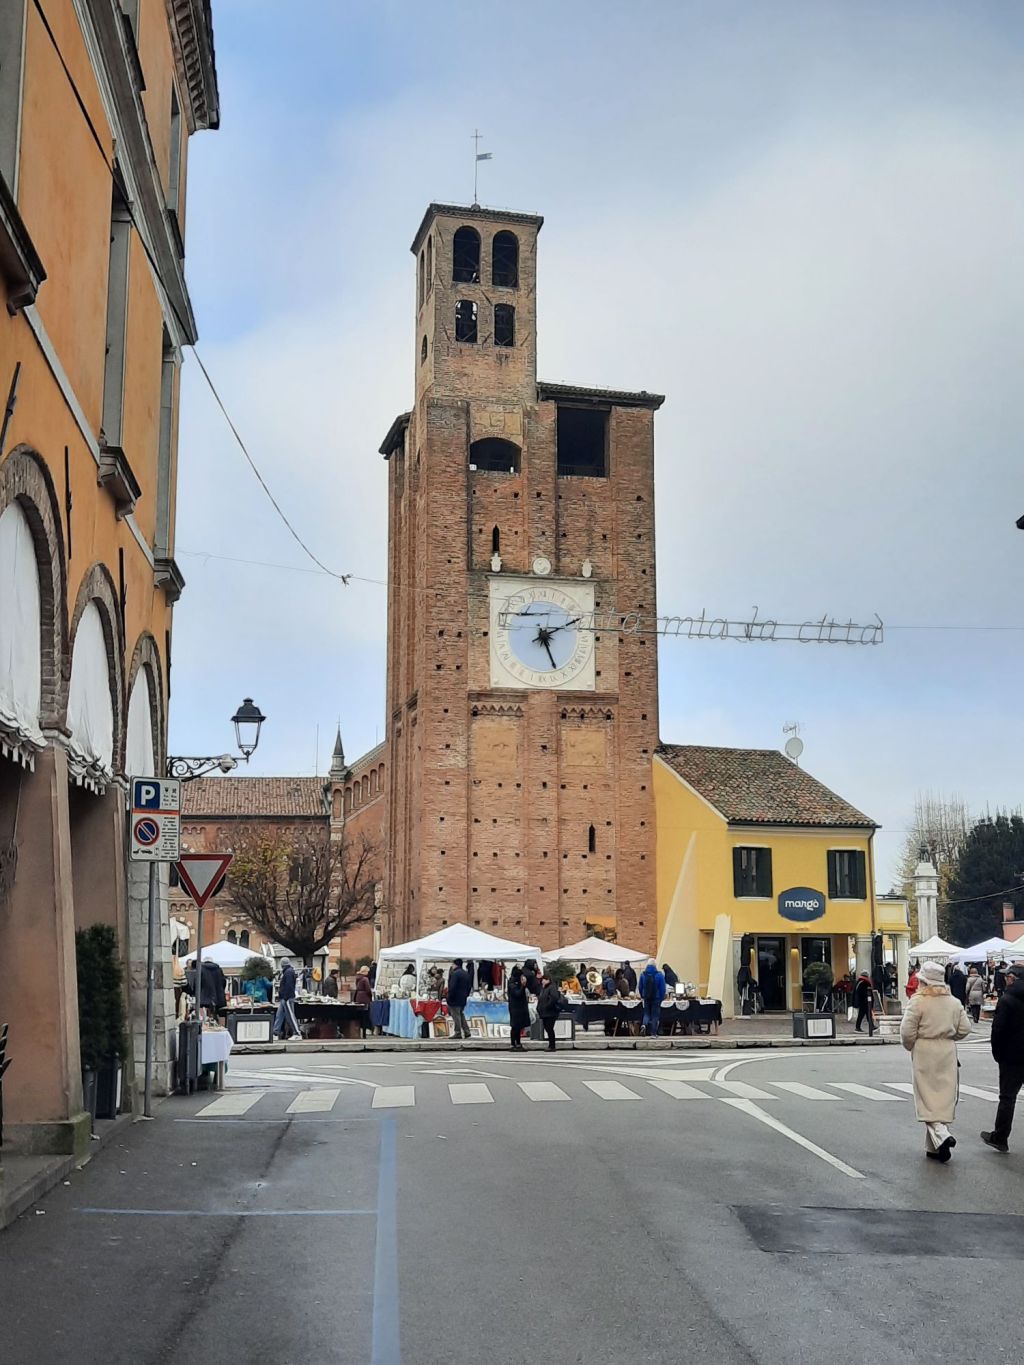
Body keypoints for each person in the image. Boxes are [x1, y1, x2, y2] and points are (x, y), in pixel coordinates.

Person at [900, 959, 971, 1161]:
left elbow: (907, 1032)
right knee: (942, 1097)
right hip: (947, 1050)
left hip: (924, 1050)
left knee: (926, 1098)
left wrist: (912, 1045)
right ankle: (933, 1148)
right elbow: (965, 1029)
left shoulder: (918, 1001)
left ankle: (941, 1134)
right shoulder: (953, 1002)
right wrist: (949, 1038)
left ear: (923, 981)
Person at [981, 960, 1024, 1153]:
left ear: (1013, 979)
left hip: (1012, 1057)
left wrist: (998, 1053)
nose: (1005, 979)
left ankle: (1000, 1137)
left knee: (1007, 1098)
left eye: (1007, 976)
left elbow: (998, 1030)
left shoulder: (1007, 1000)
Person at [274, 959, 301, 1041]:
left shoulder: (288, 972)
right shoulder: (288, 971)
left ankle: (297, 1033)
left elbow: (289, 985)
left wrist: (285, 997)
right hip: (285, 998)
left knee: (290, 1016)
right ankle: (275, 1033)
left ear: (282, 964)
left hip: (287, 998)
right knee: (279, 1015)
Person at [536, 974, 565, 1050]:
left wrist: (547, 1006)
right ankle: (551, 1045)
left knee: (549, 1028)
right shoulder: (544, 988)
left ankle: (552, 1045)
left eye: (544, 980)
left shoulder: (552, 987)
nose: (542, 981)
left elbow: (554, 998)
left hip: (550, 1012)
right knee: (547, 1028)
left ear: (548, 980)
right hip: (545, 1012)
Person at [639, 959, 666, 1036]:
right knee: (655, 1015)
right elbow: (662, 989)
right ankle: (653, 1033)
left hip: (646, 997)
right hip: (656, 998)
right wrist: (661, 998)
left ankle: (644, 1025)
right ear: (655, 965)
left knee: (646, 1013)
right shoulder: (659, 975)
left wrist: (642, 995)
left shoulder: (643, 975)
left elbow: (640, 987)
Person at [447, 957, 472, 1040]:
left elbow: (452, 987)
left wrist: (449, 996)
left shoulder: (455, 974)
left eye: (453, 964)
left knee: (456, 1016)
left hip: (454, 998)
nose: (452, 966)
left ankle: (458, 1032)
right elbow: (469, 986)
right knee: (461, 1014)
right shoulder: (466, 973)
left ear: (455, 964)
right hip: (463, 997)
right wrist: (466, 995)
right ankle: (467, 1031)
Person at [508, 967, 530, 1050]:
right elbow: (517, 994)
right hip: (515, 1008)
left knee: (519, 1026)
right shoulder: (512, 983)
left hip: (520, 1007)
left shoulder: (516, 982)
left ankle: (518, 1043)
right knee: (515, 1026)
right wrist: (523, 986)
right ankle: (513, 1044)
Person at [853, 971, 876, 1036]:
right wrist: (870, 1001)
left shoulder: (859, 982)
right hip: (865, 1002)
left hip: (862, 1002)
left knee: (867, 1015)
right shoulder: (865, 982)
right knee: (863, 1015)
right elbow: (867, 993)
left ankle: (871, 1026)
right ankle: (858, 1027)